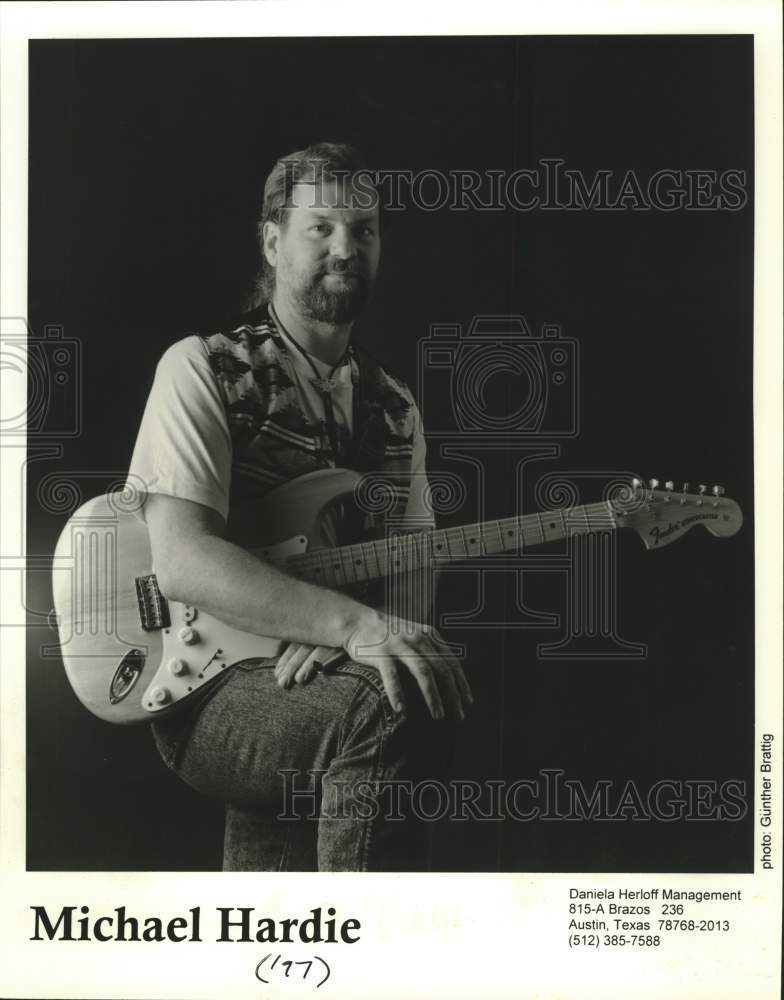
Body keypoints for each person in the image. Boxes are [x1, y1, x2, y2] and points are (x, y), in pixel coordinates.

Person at [126, 142, 473, 871]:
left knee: (415, 672)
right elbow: (183, 561)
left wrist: (360, 632)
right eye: (321, 227)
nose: (346, 248)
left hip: (319, 669)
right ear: (272, 240)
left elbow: (414, 571)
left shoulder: (396, 408)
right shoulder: (202, 369)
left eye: (365, 230)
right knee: (386, 702)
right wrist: (352, 624)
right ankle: (366, 963)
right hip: (202, 685)